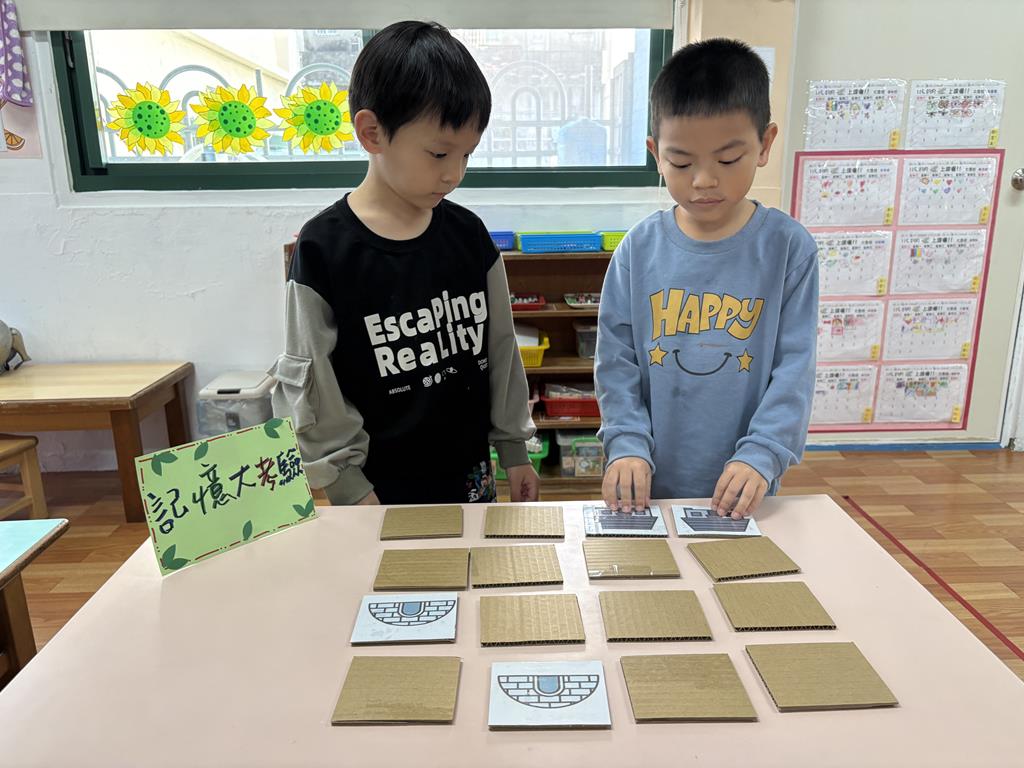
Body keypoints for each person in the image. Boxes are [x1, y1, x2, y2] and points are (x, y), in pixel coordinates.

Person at [271, 21, 538, 506]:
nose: (454, 174)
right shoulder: (323, 249)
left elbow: (500, 350)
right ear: (372, 133)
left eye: (467, 154)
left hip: (471, 480)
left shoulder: (470, 237)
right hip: (375, 493)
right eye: (439, 153)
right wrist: (346, 484)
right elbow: (312, 382)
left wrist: (514, 448)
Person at [596, 38, 818, 519]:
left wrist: (763, 453)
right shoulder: (638, 248)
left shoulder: (788, 249)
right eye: (681, 162)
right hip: (646, 480)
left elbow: (795, 369)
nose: (703, 180)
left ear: (765, 144)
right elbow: (615, 360)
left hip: (744, 485)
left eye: (727, 159)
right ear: (656, 153)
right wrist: (627, 441)